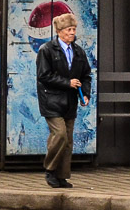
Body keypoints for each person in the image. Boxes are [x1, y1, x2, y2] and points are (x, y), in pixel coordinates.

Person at [36, 12, 92, 189]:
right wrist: (67, 83)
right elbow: (44, 75)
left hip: (70, 102)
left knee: (67, 141)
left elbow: (86, 75)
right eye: (68, 29)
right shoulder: (47, 50)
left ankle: (62, 176)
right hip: (51, 101)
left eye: (73, 29)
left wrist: (85, 94)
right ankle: (50, 169)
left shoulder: (78, 52)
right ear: (59, 31)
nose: (72, 32)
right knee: (59, 134)